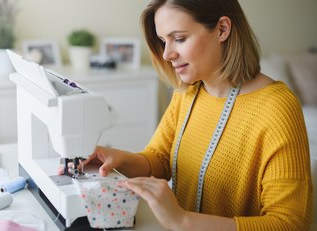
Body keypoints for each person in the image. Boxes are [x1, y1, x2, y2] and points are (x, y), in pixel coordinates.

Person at [59, 0, 313, 230]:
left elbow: (289, 223)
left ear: (222, 29)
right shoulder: (188, 93)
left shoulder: (276, 107)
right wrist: (115, 157)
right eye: (163, 41)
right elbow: (159, 160)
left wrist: (183, 221)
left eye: (179, 39)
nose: (167, 54)